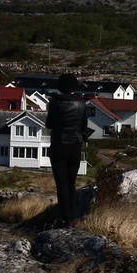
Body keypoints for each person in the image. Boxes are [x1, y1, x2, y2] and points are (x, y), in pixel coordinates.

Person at [46, 74, 92, 228]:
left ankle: (65, 218)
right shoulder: (82, 103)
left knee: (62, 184)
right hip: (75, 146)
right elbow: (84, 126)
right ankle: (71, 217)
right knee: (71, 183)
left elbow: (49, 124)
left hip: (59, 145)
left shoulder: (55, 102)